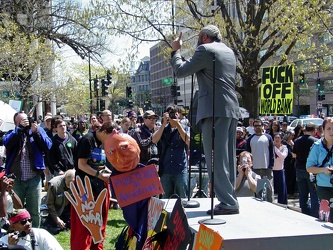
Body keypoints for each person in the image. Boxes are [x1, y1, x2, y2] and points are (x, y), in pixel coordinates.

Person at [171, 25, 240, 215]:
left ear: (203, 37)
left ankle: (227, 202)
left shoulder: (205, 50)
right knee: (226, 157)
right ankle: (229, 197)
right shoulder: (229, 52)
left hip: (213, 110)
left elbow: (181, 70)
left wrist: (176, 50)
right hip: (230, 108)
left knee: (215, 158)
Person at [3, 112, 52, 227]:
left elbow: (47, 146)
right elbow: (7, 143)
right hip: (15, 179)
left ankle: (34, 236)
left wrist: (37, 132)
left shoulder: (37, 131)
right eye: (21, 121)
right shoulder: (12, 133)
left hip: (33, 178)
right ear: (16, 123)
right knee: (16, 210)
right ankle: (16, 234)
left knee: (34, 211)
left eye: (26, 120)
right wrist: (19, 130)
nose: (25, 122)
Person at [70, 122, 114, 249]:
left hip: (99, 189)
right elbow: (81, 164)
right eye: (110, 137)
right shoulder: (87, 140)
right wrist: (99, 175)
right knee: (84, 226)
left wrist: (108, 172)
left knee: (99, 225)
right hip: (85, 190)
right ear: (104, 132)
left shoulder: (102, 142)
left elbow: (98, 164)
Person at [153, 104, 190, 198]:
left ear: (179, 115)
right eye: (171, 114)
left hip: (180, 168)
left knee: (182, 197)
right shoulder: (163, 129)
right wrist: (164, 124)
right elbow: (154, 140)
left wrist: (178, 124)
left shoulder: (185, 128)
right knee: (165, 199)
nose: (173, 116)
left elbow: (188, 141)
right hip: (166, 169)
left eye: (175, 113)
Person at [306, 118, 333, 216]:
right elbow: (309, 168)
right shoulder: (317, 146)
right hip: (324, 187)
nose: (331, 132)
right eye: (328, 129)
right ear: (323, 130)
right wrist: (323, 170)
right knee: (327, 217)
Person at [293, 122, 319, 218]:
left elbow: (294, 154)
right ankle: (314, 215)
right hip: (311, 170)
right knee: (313, 194)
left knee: (302, 194)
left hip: (299, 168)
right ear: (314, 130)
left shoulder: (297, 140)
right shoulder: (316, 142)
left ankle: (304, 214)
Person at [246, 119, 274, 202]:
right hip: (254, 168)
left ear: (262, 126)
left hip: (266, 167)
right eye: (255, 126)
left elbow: (272, 153)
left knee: (268, 189)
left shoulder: (268, 137)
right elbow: (247, 153)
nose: (257, 127)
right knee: (257, 189)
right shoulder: (250, 139)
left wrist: (271, 166)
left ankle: (270, 205)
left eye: (259, 125)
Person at [272, 132, 288, 205]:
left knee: (282, 189)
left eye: (278, 138)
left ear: (281, 139)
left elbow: (282, 156)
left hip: (280, 170)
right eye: (275, 138)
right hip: (272, 170)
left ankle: (282, 203)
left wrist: (275, 148)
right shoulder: (270, 147)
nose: (277, 139)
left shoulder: (284, 148)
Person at [282, 131, 297, 198]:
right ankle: (288, 193)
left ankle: (292, 192)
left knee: (292, 177)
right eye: (292, 135)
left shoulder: (291, 143)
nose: (293, 137)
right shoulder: (284, 144)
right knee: (288, 178)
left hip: (292, 163)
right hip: (287, 162)